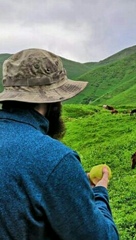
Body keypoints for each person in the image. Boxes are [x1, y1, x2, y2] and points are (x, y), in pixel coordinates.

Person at [0, 48, 119, 239]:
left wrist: (72, 180)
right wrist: (100, 192)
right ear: (54, 104)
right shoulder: (56, 159)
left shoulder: (56, 167)